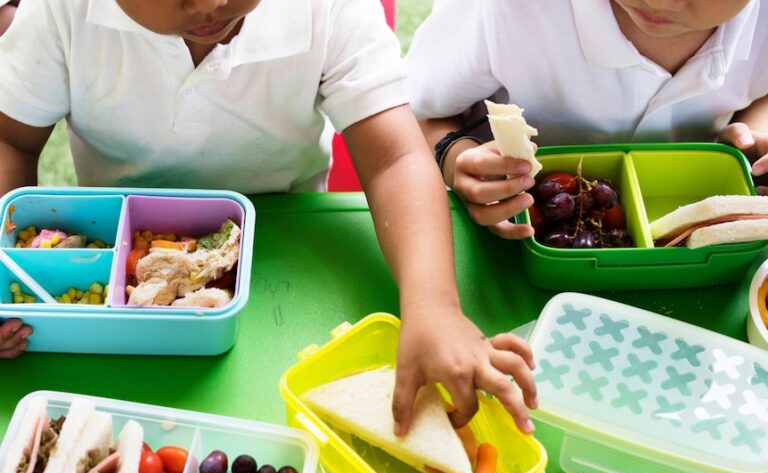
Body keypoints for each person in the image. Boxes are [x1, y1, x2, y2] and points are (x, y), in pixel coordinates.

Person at [0, 0, 538, 435]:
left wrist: (435, 306)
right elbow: (9, 137)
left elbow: (396, 158)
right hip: (122, 296)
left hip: (293, 244)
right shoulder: (58, 12)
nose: (210, 3)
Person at [405, 0, 768, 238]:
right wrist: (453, 155)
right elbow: (409, 113)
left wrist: (756, 132)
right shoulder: (508, 10)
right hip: (510, 242)